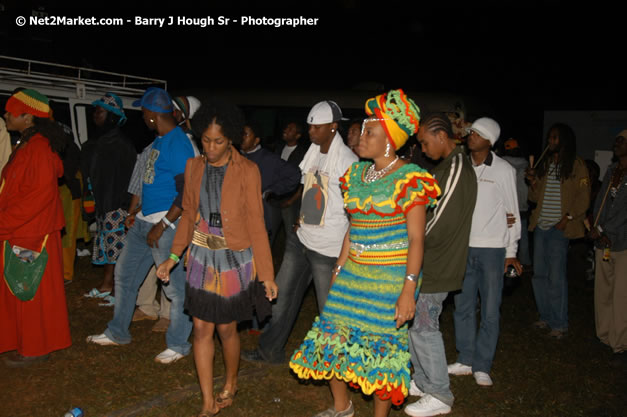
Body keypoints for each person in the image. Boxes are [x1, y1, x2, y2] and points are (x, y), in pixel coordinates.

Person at [289, 89, 440, 417]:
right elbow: (352, 227)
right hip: (353, 274)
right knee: (332, 340)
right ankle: (342, 408)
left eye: (369, 132)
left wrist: (409, 290)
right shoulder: (356, 175)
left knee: (382, 354)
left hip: (389, 280)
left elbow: (416, 239)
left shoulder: (410, 179)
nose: (359, 136)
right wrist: (340, 266)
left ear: (389, 139)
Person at [156, 100, 278, 417]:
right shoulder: (193, 167)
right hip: (199, 257)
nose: (210, 147)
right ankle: (208, 401)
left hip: (234, 259)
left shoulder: (248, 171)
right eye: (206, 140)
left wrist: (266, 275)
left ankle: (232, 380)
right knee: (201, 329)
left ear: (232, 138)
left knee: (226, 330)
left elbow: (257, 225)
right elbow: (186, 215)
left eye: (218, 141)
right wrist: (172, 256)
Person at [242, 100, 358, 364]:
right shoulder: (314, 151)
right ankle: (269, 350)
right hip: (301, 239)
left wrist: (345, 250)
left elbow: (355, 210)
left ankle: (337, 361)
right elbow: (306, 184)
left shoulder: (348, 161)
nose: (311, 132)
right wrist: (298, 217)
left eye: (317, 127)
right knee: (280, 298)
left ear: (333, 127)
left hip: (328, 250)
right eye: (310, 127)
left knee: (329, 310)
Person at [86, 87, 195, 364]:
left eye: (144, 112)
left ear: (153, 114)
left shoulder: (178, 143)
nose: (142, 117)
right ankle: (118, 332)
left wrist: (164, 223)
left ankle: (179, 344)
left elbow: (187, 192)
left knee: (175, 289)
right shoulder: (157, 141)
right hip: (144, 223)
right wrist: (135, 211)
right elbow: (148, 182)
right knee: (124, 276)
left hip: (167, 226)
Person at [405, 112, 477, 417]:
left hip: (439, 260)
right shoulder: (446, 166)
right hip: (429, 259)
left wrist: (410, 240)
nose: (423, 149)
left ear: (441, 136)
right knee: (416, 323)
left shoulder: (457, 167)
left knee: (424, 326)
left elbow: (439, 220)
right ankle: (423, 381)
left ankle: (439, 393)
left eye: (424, 142)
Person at [447, 118, 522, 388]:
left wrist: (511, 251)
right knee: (463, 307)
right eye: (471, 132)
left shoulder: (503, 169)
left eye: (477, 133)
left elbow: (512, 212)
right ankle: (466, 359)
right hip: (464, 247)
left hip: (493, 250)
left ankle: (483, 365)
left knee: (490, 310)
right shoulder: (462, 165)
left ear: (490, 141)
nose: (471, 136)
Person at [0, 89, 72, 366]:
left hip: (31, 235)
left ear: (28, 117)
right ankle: (19, 340)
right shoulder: (27, 144)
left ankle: (35, 347)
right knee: (18, 289)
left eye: (10, 111)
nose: (6, 115)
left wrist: (4, 222)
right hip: (21, 231)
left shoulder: (39, 148)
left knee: (28, 289)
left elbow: (37, 199)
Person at [526, 123, 590, 339]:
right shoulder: (545, 164)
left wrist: (568, 217)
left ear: (564, 140)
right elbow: (534, 198)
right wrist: (533, 181)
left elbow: (584, 197)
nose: (550, 142)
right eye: (549, 138)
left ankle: (559, 323)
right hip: (541, 226)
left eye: (555, 138)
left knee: (556, 277)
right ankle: (546, 316)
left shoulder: (576, 165)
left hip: (559, 228)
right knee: (539, 275)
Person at [82, 93, 136, 303]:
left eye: (100, 112)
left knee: (118, 250)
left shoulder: (121, 144)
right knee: (107, 247)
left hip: (117, 204)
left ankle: (118, 290)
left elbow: (130, 179)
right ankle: (106, 284)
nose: (96, 116)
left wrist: (124, 207)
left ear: (113, 116)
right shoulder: (101, 141)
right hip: (104, 204)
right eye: (95, 111)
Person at [589, 131, 627, 367]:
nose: (616, 143)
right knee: (602, 291)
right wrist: (595, 227)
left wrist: (604, 230)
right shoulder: (613, 171)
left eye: (622, 140)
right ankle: (604, 336)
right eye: (617, 139)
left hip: (623, 242)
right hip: (603, 241)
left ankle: (620, 343)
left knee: (621, 295)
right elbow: (601, 201)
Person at [240, 122, 301, 244]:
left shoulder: (268, 158)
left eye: (246, 134)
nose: (242, 137)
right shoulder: (238, 157)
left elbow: (295, 174)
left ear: (256, 140)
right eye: (241, 134)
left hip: (261, 217)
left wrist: (271, 191)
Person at [272, 121, 309, 240]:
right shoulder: (278, 148)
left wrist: (292, 200)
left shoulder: (303, 153)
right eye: (286, 127)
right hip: (274, 197)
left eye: (290, 129)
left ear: (297, 135)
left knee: (291, 235)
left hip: (291, 201)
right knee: (269, 230)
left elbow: (304, 180)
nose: (286, 130)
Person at [501, 138, 532, 268]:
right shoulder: (527, 166)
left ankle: (504, 261)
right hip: (522, 206)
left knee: (504, 234)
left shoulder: (500, 165)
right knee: (522, 234)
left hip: (505, 207)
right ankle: (524, 262)